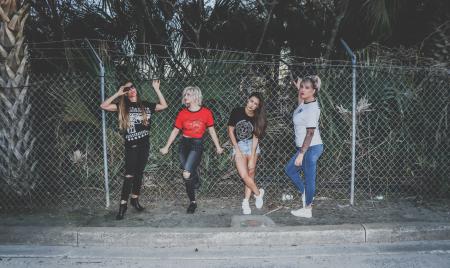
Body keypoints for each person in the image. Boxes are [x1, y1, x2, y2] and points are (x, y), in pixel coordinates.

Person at [100, 80, 167, 220]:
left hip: (144, 145)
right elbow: (103, 105)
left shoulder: (146, 105)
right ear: (125, 92)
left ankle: (135, 199)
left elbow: (164, 105)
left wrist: (156, 89)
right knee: (129, 175)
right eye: (128, 88)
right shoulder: (122, 106)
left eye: (133, 87)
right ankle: (123, 205)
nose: (132, 90)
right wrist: (118, 93)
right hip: (131, 146)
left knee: (139, 173)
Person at [160, 86, 223, 214]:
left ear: (195, 96)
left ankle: (192, 202)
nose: (185, 97)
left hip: (196, 144)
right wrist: (166, 146)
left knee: (186, 174)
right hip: (184, 144)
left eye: (188, 95)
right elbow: (176, 130)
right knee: (187, 172)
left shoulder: (206, 113)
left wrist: (218, 146)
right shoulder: (182, 113)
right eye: (185, 95)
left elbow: (211, 130)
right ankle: (196, 178)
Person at [285, 75, 324, 218]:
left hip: (311, 147)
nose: (303, 90)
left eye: (307, 88)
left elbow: (310, 132)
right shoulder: (305, 104)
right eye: (302, 86)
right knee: (290, 170)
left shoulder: (312, 109)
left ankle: (307, 208)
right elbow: (300, 104)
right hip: (306, 147)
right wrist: (298, 89)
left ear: (314, 91)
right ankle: (305, 194)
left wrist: (301, 153)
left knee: (309, 178)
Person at [227, 92, 267, 215]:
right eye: (251, 101)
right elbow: (230, 130)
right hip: (239, 145)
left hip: (251, 145)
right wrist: (237, 149)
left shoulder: (257, 117)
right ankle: (258, 193)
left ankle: (245, 202)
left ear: (257, 107)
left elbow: (255, 138)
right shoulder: (237, 111)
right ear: (247, 100)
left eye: (255, 104)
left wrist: (253, 156)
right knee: (244, 175)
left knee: (251, 172)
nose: (252, 105)